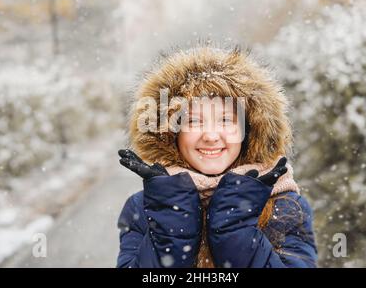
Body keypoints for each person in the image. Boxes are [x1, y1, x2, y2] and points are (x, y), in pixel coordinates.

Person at [116, 46, 318, 268]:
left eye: (225, 120)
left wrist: (234, 225)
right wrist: (172, 216)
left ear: (249, 130)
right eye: (193, 121)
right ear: (170, 133)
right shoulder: (144, 206)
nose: (211, 136)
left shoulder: (286, 205)